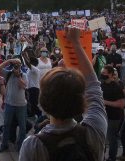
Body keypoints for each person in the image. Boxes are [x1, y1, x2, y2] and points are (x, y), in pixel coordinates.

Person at [19, 27, 107, 161]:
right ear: (81, 101)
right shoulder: (95, 129)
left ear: (43, 102)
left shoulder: (33, 146)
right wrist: (76, 43)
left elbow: (92, 87)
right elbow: (93, 87)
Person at [0, 58, 28, 152]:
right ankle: (4, 144)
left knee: (23, 127)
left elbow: (24, 86)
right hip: (9, 103)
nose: (16, 66)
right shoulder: (8, 73)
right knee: (6, 125)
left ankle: (20, 146)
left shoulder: (24, 75)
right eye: (15, 64)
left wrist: (18, 75)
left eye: (18, 65)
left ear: (21, 66)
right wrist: (9, 61)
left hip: (21, 105)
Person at [101, 65, 125, 161]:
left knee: (112, 139)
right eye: (102, 73)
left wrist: (105, 102)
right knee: (102, 138)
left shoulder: (117, 87)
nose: (102, 75)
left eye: (104, 73)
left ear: (110, 74)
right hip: (103, 116)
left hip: (113, 117)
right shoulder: (101, 85)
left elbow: (121, 104)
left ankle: (112, 158)